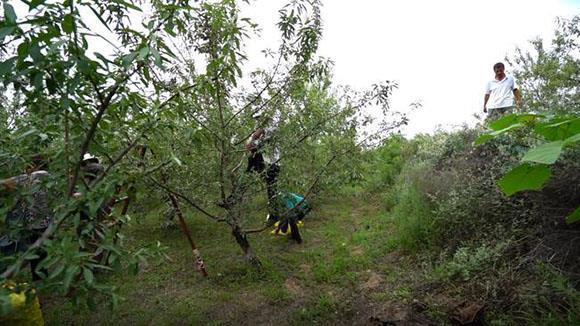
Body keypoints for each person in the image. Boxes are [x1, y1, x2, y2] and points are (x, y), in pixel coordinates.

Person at [0, 154, 52, 281]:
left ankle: (11, 276)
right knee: (40, 253)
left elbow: (3, 183)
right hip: (48, 223)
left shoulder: (30, 177)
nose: (25, 169)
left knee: (27, 252)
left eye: (26, 166)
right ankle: (41, 279)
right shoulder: (52, 179)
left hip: (31, 224)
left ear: (33, 166)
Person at [245, 110, 282, 224]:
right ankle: (235, 196)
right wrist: (254, 136)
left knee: (271, 190)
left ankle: (274, 215)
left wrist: (256, 136)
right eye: (256, 119)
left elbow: (257, 142)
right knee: (251, 158)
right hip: (263, 162)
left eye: (259, 118)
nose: (257, 121)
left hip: (273, 164)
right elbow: (248, 145)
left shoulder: (272, 128)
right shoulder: (259, 129)